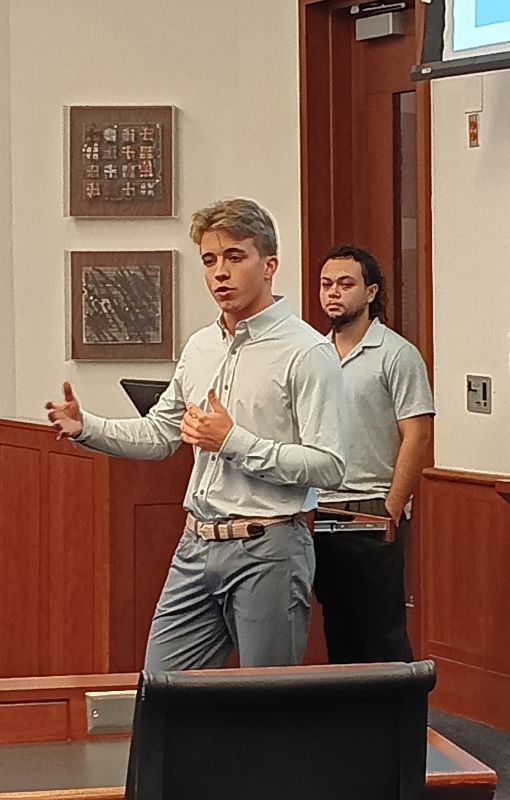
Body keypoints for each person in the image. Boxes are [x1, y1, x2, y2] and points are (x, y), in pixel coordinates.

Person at [46, 198, 346, 670]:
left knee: (266, 708)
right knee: (162, 692)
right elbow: (161, 433)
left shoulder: (307, 352)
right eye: (210, 260)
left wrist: (234, 441)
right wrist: (88, 428)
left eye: (234, 257)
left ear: (269, 265)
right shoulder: (201, 346)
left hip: (268, 548)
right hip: (195, 545)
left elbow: (329, 466)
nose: (220, 273)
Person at [314, 244, 434, 664]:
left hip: (370, 508)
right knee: (337, 628)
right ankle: (348, 726)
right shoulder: (313, 354)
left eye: (346, 284)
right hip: (318, 507)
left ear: (370, 292)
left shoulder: (397, 354)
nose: (333, 293)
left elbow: (417, 435)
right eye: (326, 284)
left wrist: (391, 508)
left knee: (380, 632)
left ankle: (400, 726)